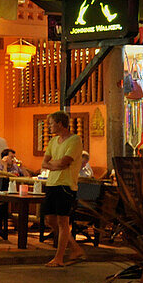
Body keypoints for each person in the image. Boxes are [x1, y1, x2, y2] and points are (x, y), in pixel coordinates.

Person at [41, 111, 85, 268]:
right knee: (50, 220)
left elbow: (64, 162)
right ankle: (75, 248)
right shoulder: (53, 141)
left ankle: (59, 257)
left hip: (66, 185)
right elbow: (44, 163)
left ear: (60, 124)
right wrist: (55, 165)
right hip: (52, 184)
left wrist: (54, 165)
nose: (49, 127)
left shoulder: (74, 140)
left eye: (51, 123)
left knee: (63, 221)